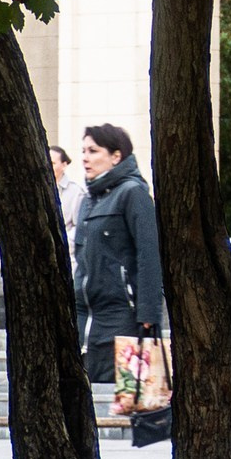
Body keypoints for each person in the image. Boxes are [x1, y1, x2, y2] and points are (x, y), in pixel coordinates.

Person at [73, 124, 163, 415]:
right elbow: (81, 256)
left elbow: (149, 255)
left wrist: (148, 313)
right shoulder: (88, 200)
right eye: (83, 151)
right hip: (86, 315)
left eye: (93, 151)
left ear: (116, 156)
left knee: (127, 407)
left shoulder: (133, 193)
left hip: (122, 315)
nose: (85, 158)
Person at [51, 146, 85, 259]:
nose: (48, 167)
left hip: (67, 257)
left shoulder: (76, 192)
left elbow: (79, 227)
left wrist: (61, 244)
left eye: (53, 163)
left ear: (64, 165)